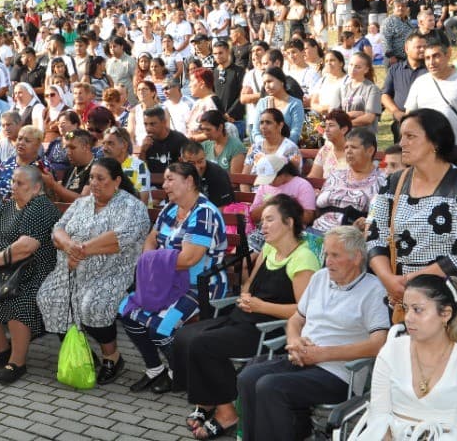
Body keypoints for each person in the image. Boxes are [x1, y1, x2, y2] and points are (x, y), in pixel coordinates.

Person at [173, 194, 320, 439]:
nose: (263, 226)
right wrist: (244, 294)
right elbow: (249, 284)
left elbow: (303, 311)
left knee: (203, 344)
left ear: (289, 223)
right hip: (247, 317)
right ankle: (208, 400)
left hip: (271, 327)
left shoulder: (303, 259)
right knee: (186, 335)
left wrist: (260, 305)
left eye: (270, 220)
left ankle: (226, 412)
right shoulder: (270, 249)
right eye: (262, 220)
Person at [236, 226, 390, 441]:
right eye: (326, 254)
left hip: (339, 373)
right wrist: (294, 340)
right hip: (303, 359)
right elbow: (296, 319)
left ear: (357, 258)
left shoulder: (374, 290)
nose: (328, 261)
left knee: (270, 386)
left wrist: (322, 354)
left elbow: (379, 343)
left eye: (335, 255)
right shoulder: (319, 278)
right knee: (248, 377)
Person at [37, 158, 149, 385]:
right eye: (92, 178)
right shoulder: (82, 203)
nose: (95, 183)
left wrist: (80, 251)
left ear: (117, 181)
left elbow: (119, 239)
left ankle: (112, 357)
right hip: (69, 269)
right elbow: (57, 229)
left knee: (93, 304)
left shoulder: (131, 207)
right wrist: (69, 246)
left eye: (101, 178)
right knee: (50, 297)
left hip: (110, 272)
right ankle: (84, 353)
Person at [367, 109, 457, 311]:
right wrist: (387, 278)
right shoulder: (393, 183)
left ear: (435, 143)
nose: (402, 143)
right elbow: (374, 234)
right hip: (401, 301)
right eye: (401, 136)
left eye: (411, 136)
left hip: (450, 304)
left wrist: (409, 282)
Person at [120, 162, 229, 395]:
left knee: (160, 328)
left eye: (170, 179)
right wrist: (151, 259)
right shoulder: (170, 209)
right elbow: (151, 238)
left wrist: (153, 260)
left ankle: (180, 372)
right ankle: (155, 369)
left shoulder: (204, 214)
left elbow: (189, 259)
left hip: (200, 285)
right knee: (127, 312)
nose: (164, 184)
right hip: (165, 280)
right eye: (165, 179)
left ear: (189, 181)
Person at [359, 275, 457, 440]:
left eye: (417, 309)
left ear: (445, 314)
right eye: (406, 308)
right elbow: (379, 416)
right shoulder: (391, 351)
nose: (408, 317)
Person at [0, 165, 60, 385]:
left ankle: (17, 361)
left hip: (35, 269)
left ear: (36, 187)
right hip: (5, 269)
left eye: (20, 183)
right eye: (12, 181)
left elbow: (26, 247)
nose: (13, 187)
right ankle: (2, 350)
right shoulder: (9, 205)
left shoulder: (40, 207)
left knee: (19, 301)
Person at [404, 40, 457, 143]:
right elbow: (409, 117)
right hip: (428, 148)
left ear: (447, 55)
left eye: (436, 56)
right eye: (427, 58)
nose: (431, 62)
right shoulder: (419, 83)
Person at [313, 128, 385, 233]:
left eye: (354, 147)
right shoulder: (336, 174)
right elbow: (318, 205)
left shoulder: (381, 180)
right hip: (317, 231)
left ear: (370, 151)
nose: (348, 151)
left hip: (351, 237)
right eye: (346, 147)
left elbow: (380, 218)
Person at [381, 31, 427, 143]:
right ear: (407, 48)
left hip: (426, 123)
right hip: (401, 123)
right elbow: (385, 95)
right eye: (418, 47)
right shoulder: (395, 70)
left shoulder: (430, 70)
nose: (422, 49)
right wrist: (396, 112)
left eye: (425, 47)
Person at [243, 108, 301, 185]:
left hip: (280, 193)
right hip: (255, 193)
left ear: (280, 125)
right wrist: (248, 195)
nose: (263, 126)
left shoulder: (290, 148)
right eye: (261, 123)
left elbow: (293, 181)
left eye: (268, 123)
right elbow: (243, 180)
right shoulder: (255, 148)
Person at [250, 67, 304, 145]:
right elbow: (256, 131)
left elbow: (295, 133)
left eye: (269, 81)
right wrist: (266, 146)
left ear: (281, 82)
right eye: (264, 83)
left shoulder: (295, 104)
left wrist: (280, 148)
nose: (266, 86)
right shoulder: (262, 103)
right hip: (264, 150)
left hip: (287, 149)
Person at [40, 128, 94, 203]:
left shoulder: (97, 169)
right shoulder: (71, 168)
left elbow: (84, 201)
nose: (68, 152)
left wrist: (54, 185)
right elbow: (60, 198)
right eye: (66, 148)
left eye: (72, 148)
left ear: (86, 147)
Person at [0, 126, 44, 201]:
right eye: (19, 139)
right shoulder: (6, 163)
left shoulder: (41, 167)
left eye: (27, 141)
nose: (21, 143)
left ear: (37, 145)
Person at [140, 106, 188, 176]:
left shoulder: (179, 140)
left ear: (164, 122)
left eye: (152, 124)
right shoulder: (147, 141)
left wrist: (150, 179)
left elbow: (184, 172)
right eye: (145, 124)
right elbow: (141, 171)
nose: (148, 128)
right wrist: (143, 151)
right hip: (150, 184)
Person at [306, 109, 352, 179]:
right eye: (326, 125)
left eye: (331, 125)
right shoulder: (325, 150)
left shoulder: (355, 151)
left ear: (344, 129)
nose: (326, 129)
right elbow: (314, 176)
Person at [199, 110, 246, 175]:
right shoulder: (204, 146)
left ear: (220, 127)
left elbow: (235, 180)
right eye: (203, 129)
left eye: (208, 130)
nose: (205, 133)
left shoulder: (236, 147)